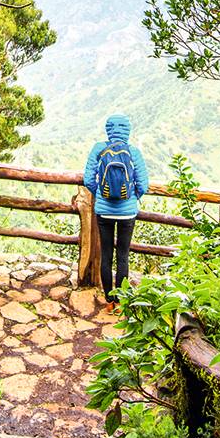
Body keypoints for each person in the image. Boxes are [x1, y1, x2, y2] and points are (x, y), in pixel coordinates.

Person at [82, 113, 149, 305]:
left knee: (106, 254)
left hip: (104, 212)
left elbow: (88, 180)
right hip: (127, 212)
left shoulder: (98, 148)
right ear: (127, 131)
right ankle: (120, 301)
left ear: (108, 129)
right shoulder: (133, 151)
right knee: (123, 255)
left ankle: (108, 298)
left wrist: (101, 195)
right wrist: (133, 197)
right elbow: (143, 184)